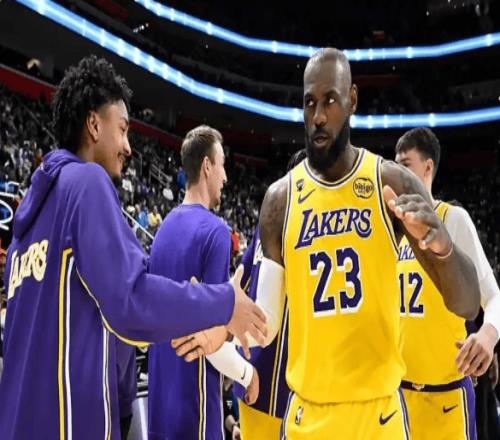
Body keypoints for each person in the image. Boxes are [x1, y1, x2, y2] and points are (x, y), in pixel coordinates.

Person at [174, 48, 481, 439]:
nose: (318, 116)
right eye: (309, 103)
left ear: (352, 100)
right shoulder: (280, 200)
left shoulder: (391, 183)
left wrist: (443, 249)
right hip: (308, 416)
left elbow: (467, 303)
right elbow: (267, 326)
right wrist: (225, 325)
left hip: (378, 418)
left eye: (330, 101)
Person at [0, 55, 266, 440]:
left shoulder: (28, 222)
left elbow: (107, 324)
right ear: (94, 125)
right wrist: (225, 302)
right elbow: (132, 301)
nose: (127, 146)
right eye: (122, 129)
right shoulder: (86, 184)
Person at [148, 125, 259, 440]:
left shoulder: (162, 231)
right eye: (222, 165)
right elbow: (211, 338)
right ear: (207, 166)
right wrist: (247, 374)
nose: (225, 177)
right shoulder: (214, 232)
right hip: (194, 409)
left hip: (159, 404)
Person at [394, 127, 500, 440]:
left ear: (428, 168)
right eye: (395, 166)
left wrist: (488, 335)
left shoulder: (453, 219)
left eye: (405, 165)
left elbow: (494, 296)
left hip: (447, 397)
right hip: (398, 396)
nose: (397, 175)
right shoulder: (393, 231)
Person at [234, 149, 306, 440]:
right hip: (276, 381)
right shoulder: (297, 229)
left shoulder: (263, 227)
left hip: (257, 373)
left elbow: (238, 285)